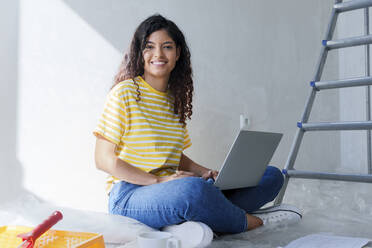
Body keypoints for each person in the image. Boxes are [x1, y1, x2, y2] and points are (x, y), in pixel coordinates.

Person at [93, 14, 285, 234]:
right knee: (193, 192)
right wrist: (159, 181)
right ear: (140, 52)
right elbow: (103, 159)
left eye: (167, 47)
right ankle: (248, 222)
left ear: (177, 54)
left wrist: (208, 172)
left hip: (172, 188)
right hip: (130, 195)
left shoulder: (175, 100)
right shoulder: (124, 93)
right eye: (149, 47)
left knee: (271, 175)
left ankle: (206, 216)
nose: (158, 54)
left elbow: (175, 156)